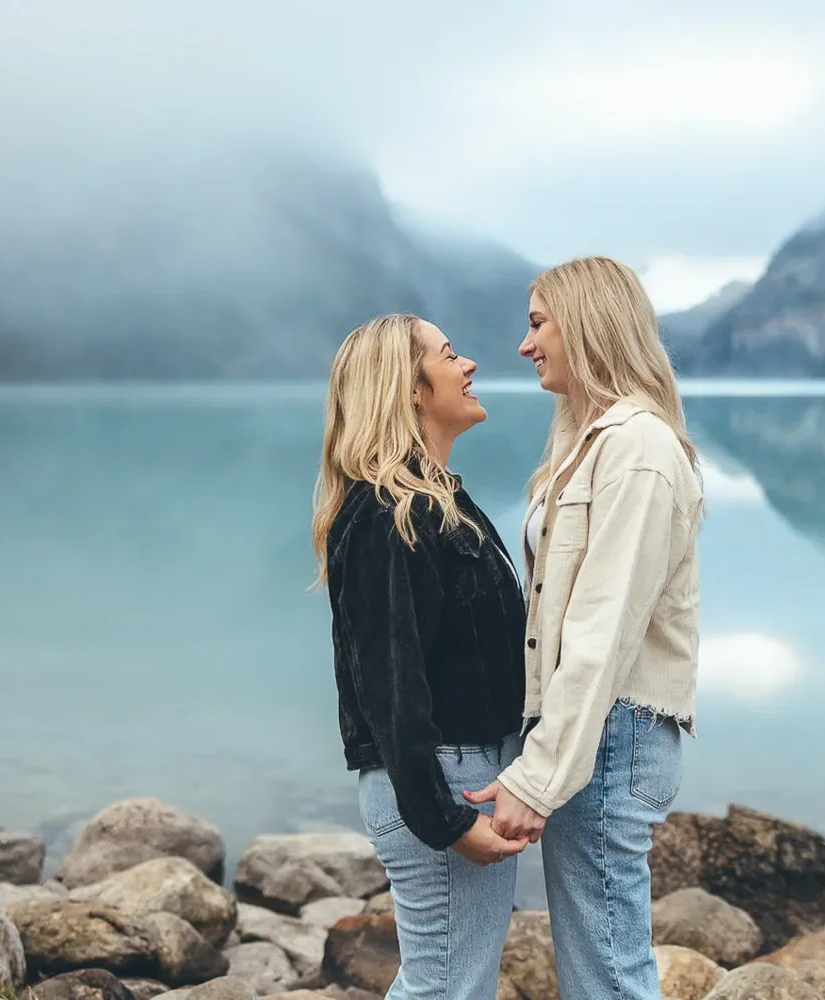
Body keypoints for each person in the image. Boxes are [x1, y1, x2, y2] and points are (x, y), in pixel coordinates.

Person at [465, 256, 705, 1000]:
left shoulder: (637, 449)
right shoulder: (590, 443)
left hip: (614, 731)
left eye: (538, 323)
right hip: (600, 732)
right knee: (598, 964)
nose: (524, 345)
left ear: (590, 325)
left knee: (607, 973)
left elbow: (603, 629)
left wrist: (538, 779)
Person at [312, 313, 531, 1000]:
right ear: (409, 388)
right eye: (449, 353)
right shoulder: (387, 513)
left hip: (462, 771)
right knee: (444, 988)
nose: (468, 365)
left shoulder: (434, 500)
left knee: (450, 984)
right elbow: (389, 683)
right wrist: (446, 818)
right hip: (442, 778)